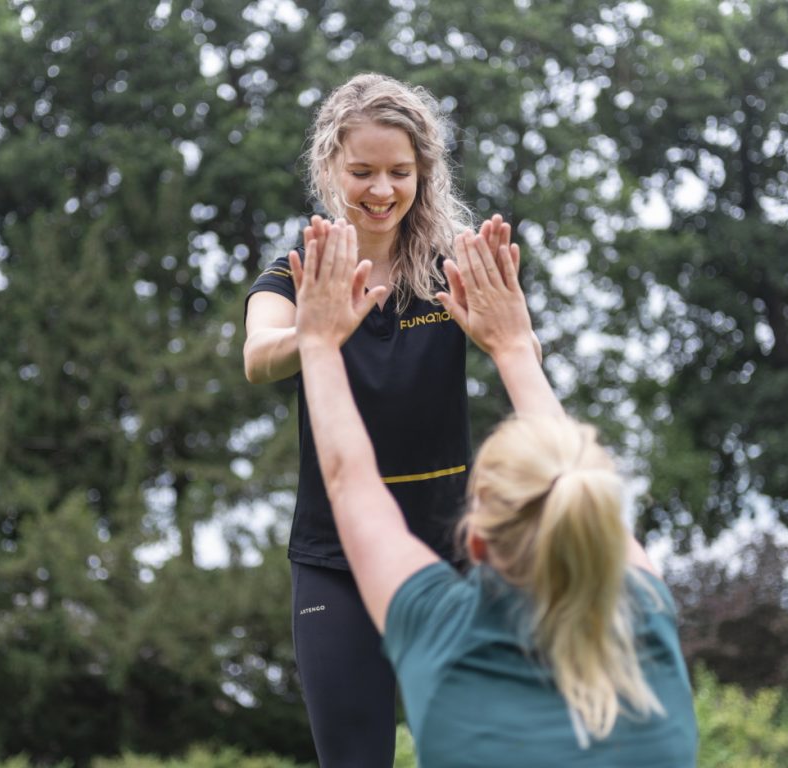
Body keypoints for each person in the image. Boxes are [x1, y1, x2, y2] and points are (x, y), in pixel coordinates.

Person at [290, 220, 699, 767]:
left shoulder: (444, 636)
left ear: (476, 545)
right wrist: (512, 348)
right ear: (596, 520)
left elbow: (348, 480)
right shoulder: (646, 616)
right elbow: (573, 484)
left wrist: (316, 342)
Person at [243, 73, 539, 766]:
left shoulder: (451, 266)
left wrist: (508, 332)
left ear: (423, 172)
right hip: (335, 561)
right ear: (329, 169)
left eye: (400, 172)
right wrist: (314, 331)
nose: (382, 190)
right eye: (363, 171)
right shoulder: (299, 274)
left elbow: (519, 344)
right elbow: (259, 357)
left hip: (452, 554)